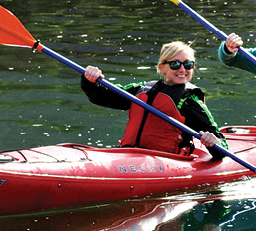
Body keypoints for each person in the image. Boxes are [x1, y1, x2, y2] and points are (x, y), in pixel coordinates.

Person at [81, 41, 225, 154]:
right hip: (129, 153)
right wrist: (90, 80)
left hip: (166, 161)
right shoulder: (142, 89)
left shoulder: (189, 100)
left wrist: (213, 142)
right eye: (175, 64)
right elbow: (103, 96)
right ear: (162, 68)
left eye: (188, 64)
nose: (182, 69)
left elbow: (221, 143)